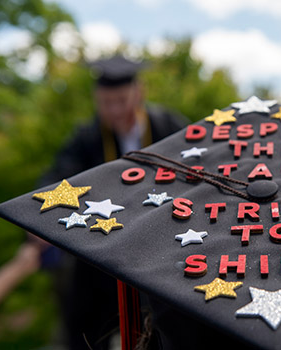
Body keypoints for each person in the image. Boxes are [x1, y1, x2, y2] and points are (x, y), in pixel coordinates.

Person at [39, 54, 188, 350]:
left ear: (139, 92)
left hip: (159, 250)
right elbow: (56, 177)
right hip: (101, 254)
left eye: (121, 100)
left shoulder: (169, 126)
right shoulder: (88, 137)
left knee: (166, 331)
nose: (115, 110)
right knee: (84, 328)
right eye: (106, 103)